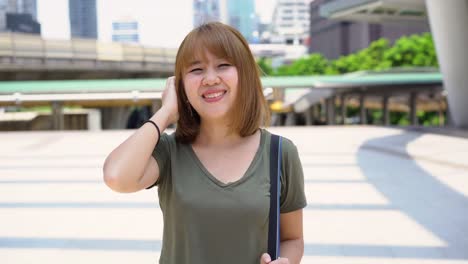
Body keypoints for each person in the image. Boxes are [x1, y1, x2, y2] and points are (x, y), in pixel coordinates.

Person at [103, 22, 307, 264]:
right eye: (196, 70)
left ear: (246, 74)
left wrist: (286, 261)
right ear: (180, 84)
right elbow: (116, 176)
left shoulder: (280, 153)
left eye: (223, 65)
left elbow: (293, 239)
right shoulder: (170, 151)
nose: (210, 79)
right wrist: (166, 112)